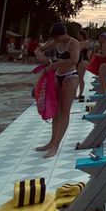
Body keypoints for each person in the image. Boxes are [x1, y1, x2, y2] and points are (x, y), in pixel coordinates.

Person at [34, 23, 80, 157]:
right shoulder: (55, 42)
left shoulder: (73, 43)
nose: (56, 41)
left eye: (56, 38)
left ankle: (55, 146)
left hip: (70, 77)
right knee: (55, 111)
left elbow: (73, 60)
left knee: (64, 111)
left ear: (61, 35)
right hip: (58, 76)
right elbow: (40, 49)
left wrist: (54, 64)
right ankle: (51, 142)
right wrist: (42, 58)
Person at [76, 30, 93, 100]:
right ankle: (77, 94)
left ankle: (80, 94)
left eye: (79, 34)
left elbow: (78, 50)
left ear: (82, 35)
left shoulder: (85, 42)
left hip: (83, 60)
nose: (77, 36)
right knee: (77, 78)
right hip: (79, 60)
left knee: (80, 78)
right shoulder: (79, 42)